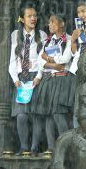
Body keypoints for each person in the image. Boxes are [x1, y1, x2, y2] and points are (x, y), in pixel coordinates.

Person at [30, 14, 74, 156]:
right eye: (49, 22)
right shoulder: (47, 42)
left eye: (53, 22)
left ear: (62, 24)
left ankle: (66, 147)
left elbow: (65, 58)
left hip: (61, 80)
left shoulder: (67, 40)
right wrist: (52, 64)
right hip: (48, 80)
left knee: (59, 113)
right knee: (48, 114)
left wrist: (48, 59)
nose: (50, 25)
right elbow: (40, 62)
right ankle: (50, 147)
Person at [9, 4, 47, 156]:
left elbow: (43, 59)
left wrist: (38, 76)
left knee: (36, 114)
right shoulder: (15, 35)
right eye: (29, 16)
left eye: (35, 15)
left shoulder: (42, 35)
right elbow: (12, 60)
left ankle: (34, 147)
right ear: (22, 19)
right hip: (21, 78)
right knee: (21, 115)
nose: (33, 18)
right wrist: (15, 79)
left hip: (36, 77)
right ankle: (24, 146)